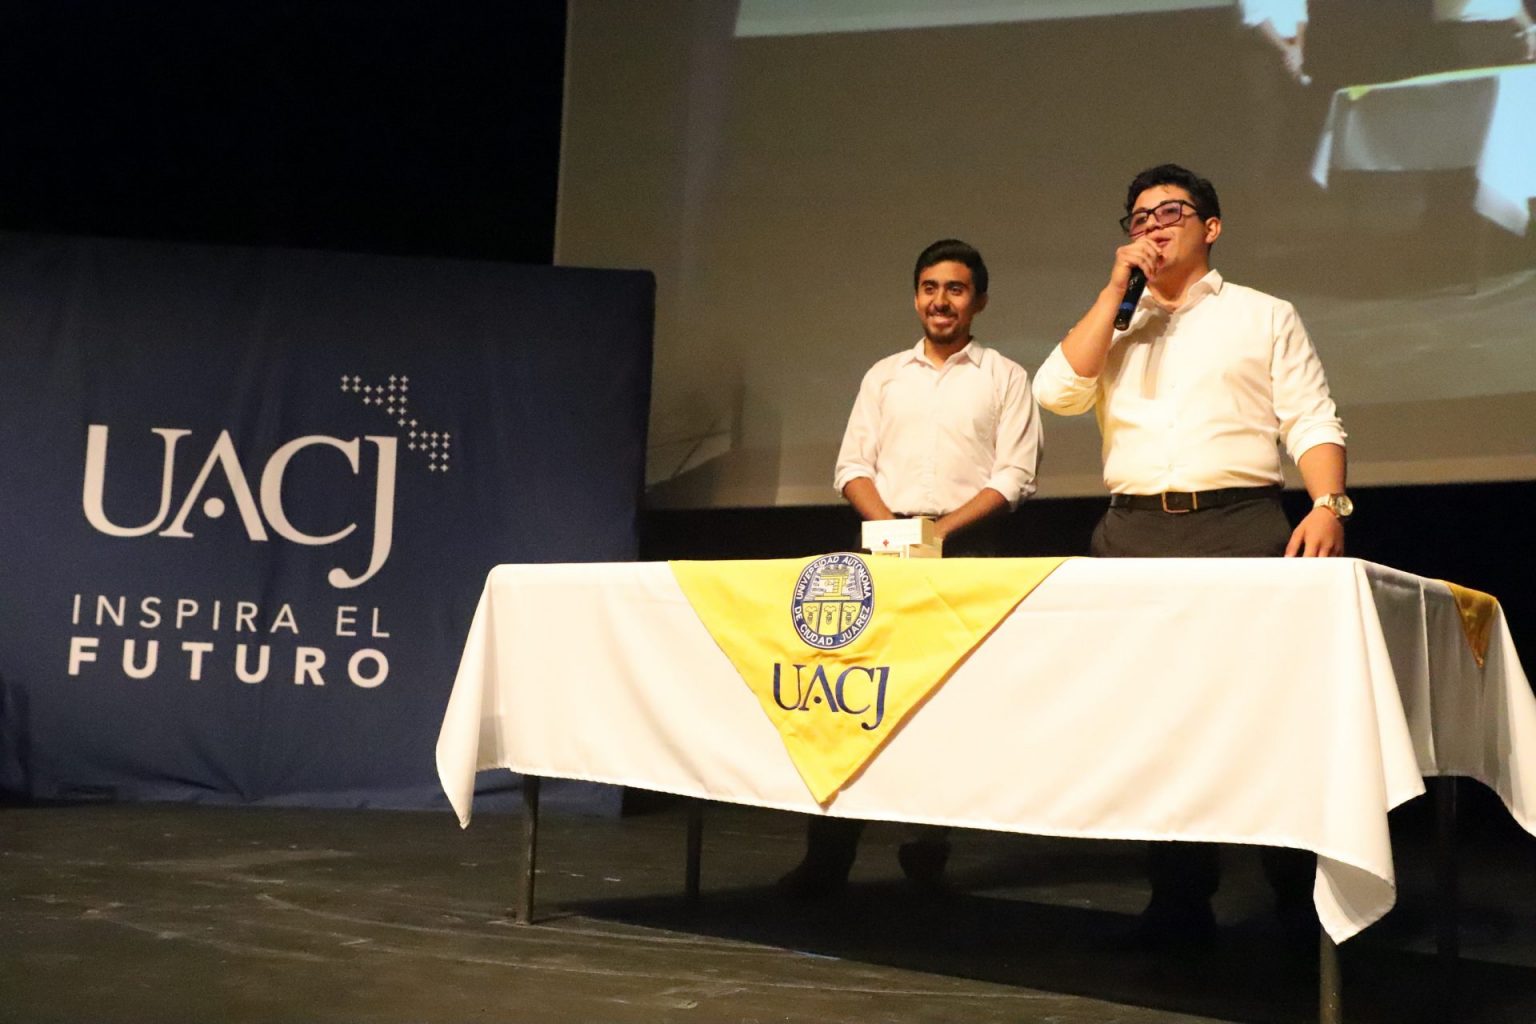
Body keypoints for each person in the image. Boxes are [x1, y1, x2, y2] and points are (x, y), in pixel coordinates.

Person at [1033, 164, 1351, 948]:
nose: (1152, 226)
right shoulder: (1117, 321)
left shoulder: (1263, 315)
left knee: (1265, 716)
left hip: (1239, 524)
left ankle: (1294, 890)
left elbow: (1311, 419)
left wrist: (1327, 503)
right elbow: (1055, 393)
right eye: (1139, 217)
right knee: (1156, 724)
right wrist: (1116, 293)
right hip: (1135, 532)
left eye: (1170, 212)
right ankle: (1177, 895)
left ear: (1211, 227)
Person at [777, 238, 1043, 898]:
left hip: (968, 551)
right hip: (883, 552)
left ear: (979, 300)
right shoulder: (884, 376)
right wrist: (894, 532)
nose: (940, 301)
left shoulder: (1005, 376)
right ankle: (828, 855)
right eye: (929, 288)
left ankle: (929, 844)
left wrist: (938, 533)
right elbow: (852, 465)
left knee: (945, 704)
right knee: (853, 700)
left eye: (955, 289)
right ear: (916, 297)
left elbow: (1014, 475)